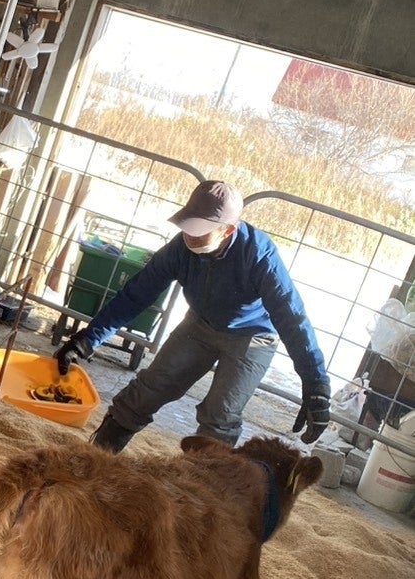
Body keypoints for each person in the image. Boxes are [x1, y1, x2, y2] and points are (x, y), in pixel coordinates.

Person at [56, 180, 331, 452]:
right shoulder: (180, 248)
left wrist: (315, 382)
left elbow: (291, 317)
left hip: (253, 336)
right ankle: (97, 457)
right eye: (188, 226)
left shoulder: (258, 255)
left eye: (201, 231)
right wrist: (88, 339)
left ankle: (203, 476)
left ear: (228, 230)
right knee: (146, 390)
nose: (190, 236)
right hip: (199, 324)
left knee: (220, 416)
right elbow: (138, 293)